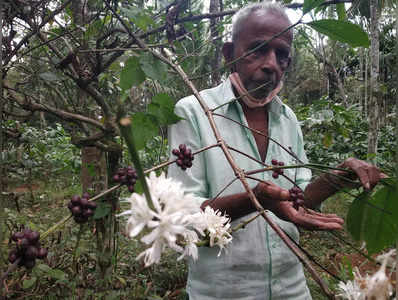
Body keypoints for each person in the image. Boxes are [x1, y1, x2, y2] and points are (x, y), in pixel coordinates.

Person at [168, 2, 384, 299]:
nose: (271, 63)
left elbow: (297, 198)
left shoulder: (288, 119)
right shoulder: (194, 112)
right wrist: (256, 199)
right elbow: (184, 214)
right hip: (223, 291)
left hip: (291, 287)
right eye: (258, 49)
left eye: (282, 54)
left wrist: (337, 177)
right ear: (230, 54)